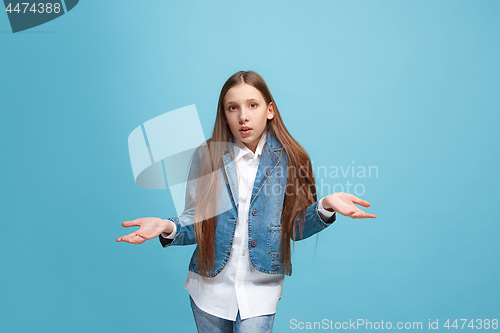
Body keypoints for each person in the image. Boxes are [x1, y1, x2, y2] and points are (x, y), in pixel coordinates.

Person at [116, 70, 376, 333]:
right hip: (209, 289)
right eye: (233, 108)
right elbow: (197, 223)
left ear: (269, 110)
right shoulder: (207, 156)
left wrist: (325, 206)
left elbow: (295, 227)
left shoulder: (291, 158)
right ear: (225, 115)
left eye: (253, 105)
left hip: (260, 289)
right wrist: (166, 226)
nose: (243, 116)